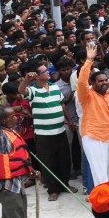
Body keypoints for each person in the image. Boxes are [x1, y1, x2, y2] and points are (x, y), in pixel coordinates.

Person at [20, 58, 74, 201]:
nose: (48, 72)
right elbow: (21, 90)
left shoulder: (54, 87)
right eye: (44, 71)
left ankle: (64, 184)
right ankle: (53, 190)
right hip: (43, 134)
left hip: (60, 131)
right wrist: (26, 79)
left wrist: (69, 120)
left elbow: (62, 104)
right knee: (48, 163)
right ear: (36, 76)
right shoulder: (32, 90)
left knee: (64, 160)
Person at [78, 42, 109, 186]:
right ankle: (103, 197)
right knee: (99, 172)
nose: (104, 83)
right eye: (100, 81)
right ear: (92, 84)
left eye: (105, 80)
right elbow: (81, 82)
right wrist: (89, 60)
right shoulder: (87, 95)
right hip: (94, 137)